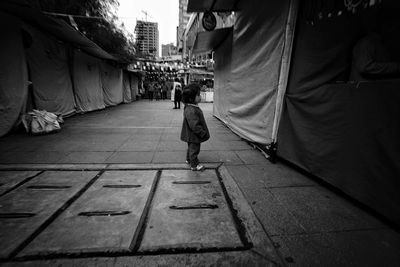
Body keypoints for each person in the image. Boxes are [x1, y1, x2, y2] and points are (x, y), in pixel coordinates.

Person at [180, 83, 210, 171]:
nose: (200, 96)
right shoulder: (191, 110)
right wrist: (202, 132)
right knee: (194, 149)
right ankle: (194, 165)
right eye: (198, 95)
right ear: (191, 98)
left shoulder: (191, 107)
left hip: (190, 134)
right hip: (194, 135)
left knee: (190, 148)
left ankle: (188, 160)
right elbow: (194, 125)